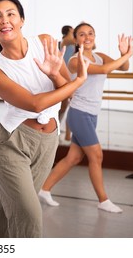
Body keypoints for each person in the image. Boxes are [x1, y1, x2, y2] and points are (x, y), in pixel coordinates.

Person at [0, 0, 88, 238]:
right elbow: (35, 104)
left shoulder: (45, 43)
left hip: (47, 143)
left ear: (21, 20)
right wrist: (79, 80)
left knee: (2, 215)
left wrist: (54, 75)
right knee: (29, 216)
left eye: (10, 14)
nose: (4, 20)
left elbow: (64, 91)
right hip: (12, 145)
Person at [39, 22, 132, 213]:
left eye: (91, 33)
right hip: (79, 114)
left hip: (92, 115)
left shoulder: (100, 56)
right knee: (97, 155)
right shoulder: (75, 60)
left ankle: (44, 189)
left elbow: (123, 67)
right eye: (82, 34)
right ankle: (103, 200)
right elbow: (105, 70)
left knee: (73, 158)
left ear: (94, 36)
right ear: (76, 39)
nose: (87, 37)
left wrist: (123, 53)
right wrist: (129, 53)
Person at [58, 25, 76, 142]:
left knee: (69, 104)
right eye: (73, 29)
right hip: (64, 77)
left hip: (71, 77)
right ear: (70, 30)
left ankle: (65, 131)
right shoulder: (66, 40)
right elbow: (76, 39)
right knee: (64, 105)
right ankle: (57, 126)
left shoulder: (72, 42)